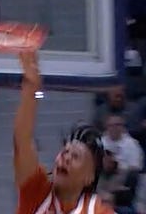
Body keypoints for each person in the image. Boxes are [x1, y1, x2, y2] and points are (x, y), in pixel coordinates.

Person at [14, 51, 113, 213]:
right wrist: (31, 87)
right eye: (65, 152)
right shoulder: (37, 191)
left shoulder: (97, 210)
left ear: (89, 177)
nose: (66, 158)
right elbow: (22, 141)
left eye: (75, 157)